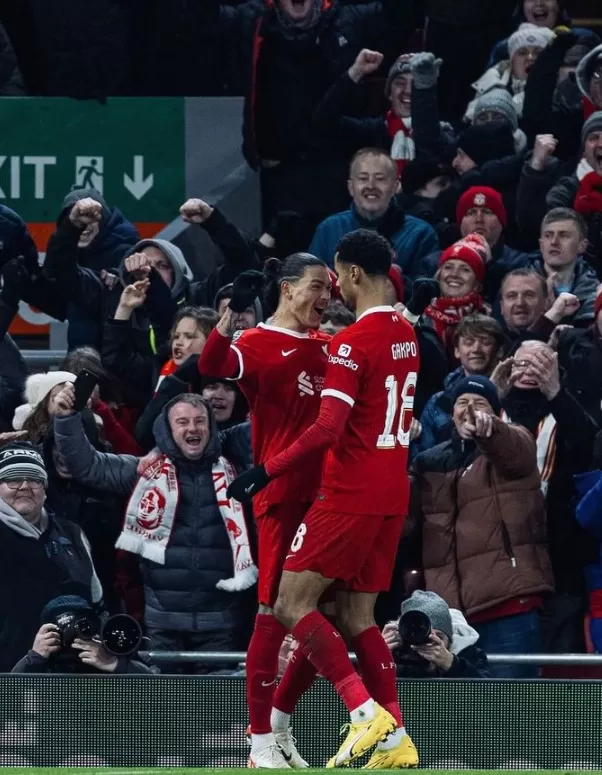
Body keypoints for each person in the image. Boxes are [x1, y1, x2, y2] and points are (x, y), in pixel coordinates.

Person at [228, 230, 420, 769]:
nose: (334, 290)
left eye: (337, 277)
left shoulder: (352, 343)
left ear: (354, 274)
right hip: (393, 492)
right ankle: (395, 738)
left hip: (347, 492)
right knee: (355, 614)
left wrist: (264, 470)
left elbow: (327, 429)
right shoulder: (406, 333)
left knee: (289, 605)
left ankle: (363, 713)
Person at [198, 256, 331, 768]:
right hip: (280, 493)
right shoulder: (256, 342)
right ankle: (258, 742)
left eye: (330, 288)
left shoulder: (326, 344)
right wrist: (232, 311)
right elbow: (211, 366)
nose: (325, 297)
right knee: (272, 611)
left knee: (328, 616)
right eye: (316, 286)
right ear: (287, 289)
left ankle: (279, 727)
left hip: (330, 495)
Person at [52, 389, 258, 673]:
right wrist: (66, 419)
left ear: (211, 427)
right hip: (162, 625)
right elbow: (88, 466)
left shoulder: (238, 471)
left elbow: (272, 434)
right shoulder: (144, 470)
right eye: (182, 422)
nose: (192, 428)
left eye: (200, 421)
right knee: (161, 701)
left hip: (222, 624)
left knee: (215, 701)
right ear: (168, 429)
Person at [410, 375, 554, 677]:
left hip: (507, 606)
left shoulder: (513, 445)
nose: (470, 409)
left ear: (496, 412)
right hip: (451, 618)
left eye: (480, 403)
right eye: (462, 402)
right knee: (460, 706)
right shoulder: (429, 463)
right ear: (452, 413)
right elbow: (406, 523)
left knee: (510, 702)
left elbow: (513, 448)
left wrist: (490, 432)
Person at [496, 340, 598, 652]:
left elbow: (588, 446)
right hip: (501, 549)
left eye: (541, 363)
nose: (531, 370)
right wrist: (492, 393)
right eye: (523, 363)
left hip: (559, 554)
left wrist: (555, 391)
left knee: (559, 651)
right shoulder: (495, 408)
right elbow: (458, 447)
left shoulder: (567, 406)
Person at [0, 442, 103, 672]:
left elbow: (98, 602)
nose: (25, 486)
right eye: (13, 479)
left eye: (34, 479)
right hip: (9, 674)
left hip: (75, 671)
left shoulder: (72, 533)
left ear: (45, 487)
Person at [309, 148, 438, 281]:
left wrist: (392, 278)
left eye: (380, 179)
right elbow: (310, 283)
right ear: (351, 187)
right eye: (363, 178)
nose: (371, 186)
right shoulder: (328, 229)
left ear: (395, 187)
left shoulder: (420, 233)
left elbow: (425, 288)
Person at [412, 314, 504, 456]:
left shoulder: (510, 394)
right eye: (468, 342)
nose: (476, 349)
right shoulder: (438, 401)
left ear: (499, 351)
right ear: (456, 350)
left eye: (485, 342)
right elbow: (422, 456)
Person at [11, 595, 154, 674]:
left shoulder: (105, 653)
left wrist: (115, 664)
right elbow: (9, 698)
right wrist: (34, 658)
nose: (75, 633)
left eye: (83, 625)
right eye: (64, 627)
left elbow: (156, 688)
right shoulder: (44, 662)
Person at [382, 591, 492, 678]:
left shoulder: (466, 653)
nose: (427, 640)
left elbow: (489, 695)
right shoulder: (396, 650)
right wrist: (378, 659)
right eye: (419, 634)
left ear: (450, 640)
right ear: (404, 634)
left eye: (438, 637)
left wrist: (451, 664)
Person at [465, 24, 555, 123]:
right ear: (511, 62)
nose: (530, 58)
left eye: (538, 52)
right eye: (522, 52)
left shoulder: (558, 89)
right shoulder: (490, 85)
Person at [527, 208, 598, 324]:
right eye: (548, 235)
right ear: (541, 244)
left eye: (564, 235)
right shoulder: (517, 287)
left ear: (582, 246)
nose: (554, 242)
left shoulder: (595, 292)